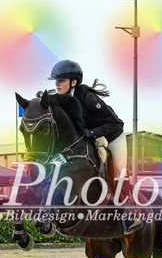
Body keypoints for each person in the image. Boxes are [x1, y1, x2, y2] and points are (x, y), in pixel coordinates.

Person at [47, 59, 141, 235]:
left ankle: (129, 213)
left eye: (61, 81)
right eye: (56, 81)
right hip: (88, 139)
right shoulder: (61, 99)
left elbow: (115, 123)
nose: (57, 84)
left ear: (73, 82)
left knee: (119, 171)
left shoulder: (88, 97)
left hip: (112, 136)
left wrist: (91, 133)